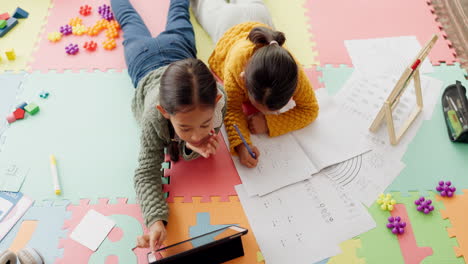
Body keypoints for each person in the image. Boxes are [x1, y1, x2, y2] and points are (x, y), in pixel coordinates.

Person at [111, 0, 227, 251]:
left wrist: (190, 146)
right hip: (142, 60)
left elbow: (195, 143)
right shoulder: (153, 117)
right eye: (185, 128)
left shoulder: (220, 99)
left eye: (204, 124)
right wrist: (155, 221)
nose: (198, 134)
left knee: (179, 10)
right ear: (165, 112)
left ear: (216, 101)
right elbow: (146, 171)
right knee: (129, 21)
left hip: (180, 51)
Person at [191, 0, 319, 168]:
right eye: (257, 105)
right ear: (243, 79)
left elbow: (310, 109)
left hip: (258, 14)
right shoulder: (236, 67)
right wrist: (241, 144)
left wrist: (269, 123)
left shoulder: (293, 72)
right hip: (226, 21)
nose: (260, 112)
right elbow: (232, 109)